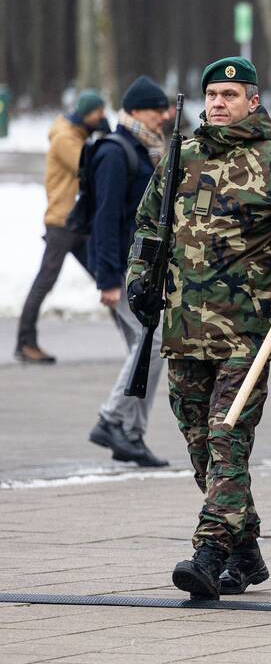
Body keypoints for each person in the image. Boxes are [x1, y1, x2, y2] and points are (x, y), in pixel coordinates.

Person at [128, 57, 271, 599]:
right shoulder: (180, 157)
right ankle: (246, 549)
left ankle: (209, 551)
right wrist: (142, 279)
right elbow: (148, 227)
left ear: (253, 101)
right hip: (184, 328)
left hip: (247, 332)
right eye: (212, 94)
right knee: (199, 448)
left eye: (230, 94)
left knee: (226, 439)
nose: (218, 103)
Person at [86, 76, 170, 468]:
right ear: (135, 111)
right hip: (119, 267)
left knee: (144, 349)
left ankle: (131, 434)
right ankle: (110, 420)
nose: (164, 117)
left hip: (140, 266)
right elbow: (104, 218)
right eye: (157, 110)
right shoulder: (116, 153)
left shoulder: (145, 149)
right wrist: (106, 279)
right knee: (150, 344)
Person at [14, 90, 106, 363]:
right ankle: (25, 342)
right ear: (86, 114)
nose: (100, 118)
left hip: (76, 222)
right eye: (98, 115)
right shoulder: (66, 137)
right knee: (46, 281)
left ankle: (135, 338)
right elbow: (88, 166)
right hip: (63, 221)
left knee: (106, 277)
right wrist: (104, 141)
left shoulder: (76, 134)